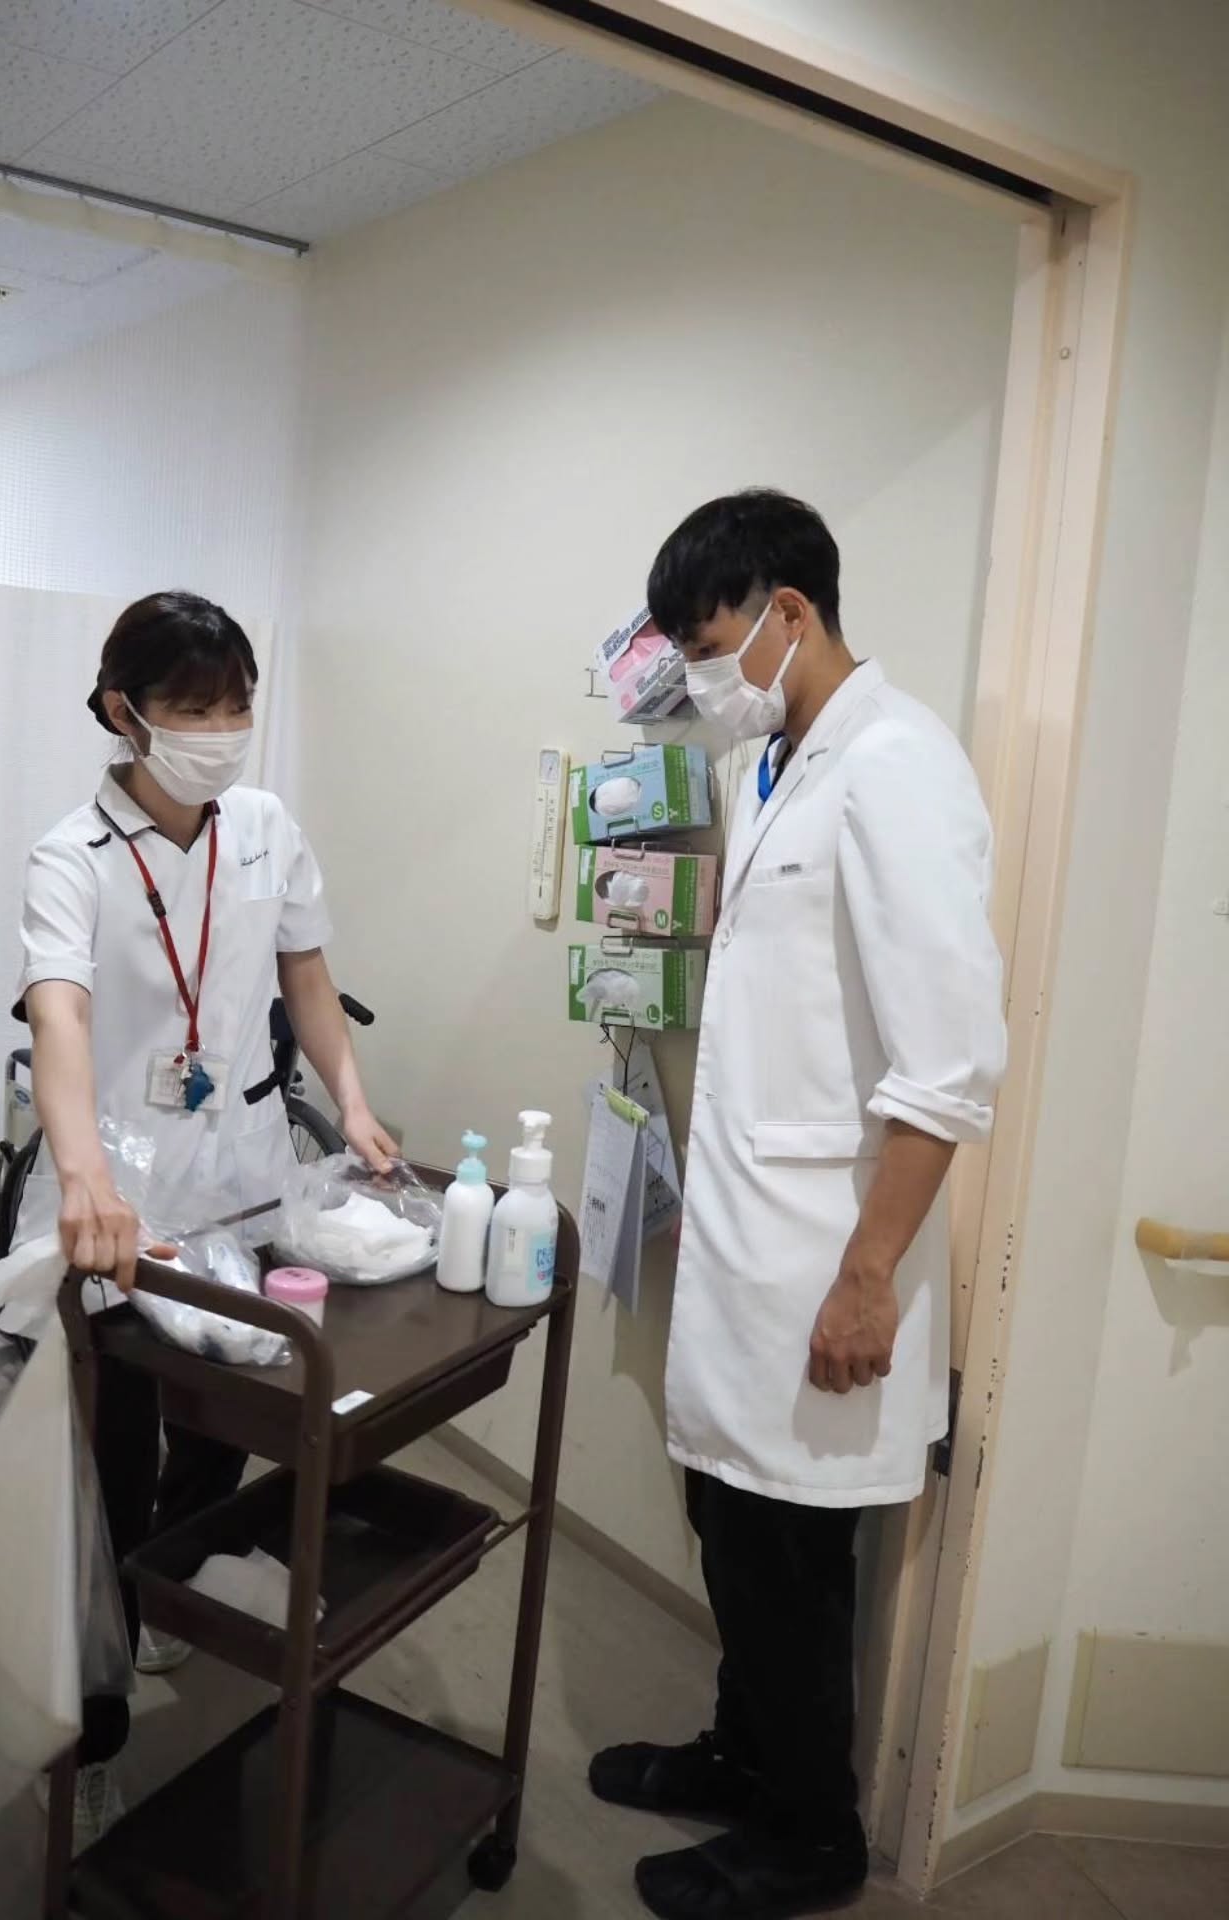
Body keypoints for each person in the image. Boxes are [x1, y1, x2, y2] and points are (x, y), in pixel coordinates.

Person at [589, 492, 1007, 1919]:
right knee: (730, 1522)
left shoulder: (899, 768)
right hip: (750, 1241)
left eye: (711, 649)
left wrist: (869, 1274)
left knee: (791, 1559)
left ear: (791, 613)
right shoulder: (775, 765)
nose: (703, 680)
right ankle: (742, 1755)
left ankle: (812, 1833)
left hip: (828, 1255)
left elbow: (949, 1067)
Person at [15, 590, 394, 1844]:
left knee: (228, 1414)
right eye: (194, 707)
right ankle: (97, 1727)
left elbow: (308, 974)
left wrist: (354, 1101)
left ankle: (172, 1583)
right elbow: (60, 1012)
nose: (223, 731)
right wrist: (83, 1177)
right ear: (124, 712)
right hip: (123, 1195)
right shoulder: (73, 854)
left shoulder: (267, 827)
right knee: (114, 1458)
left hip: (244, 1172)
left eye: (238, 705)